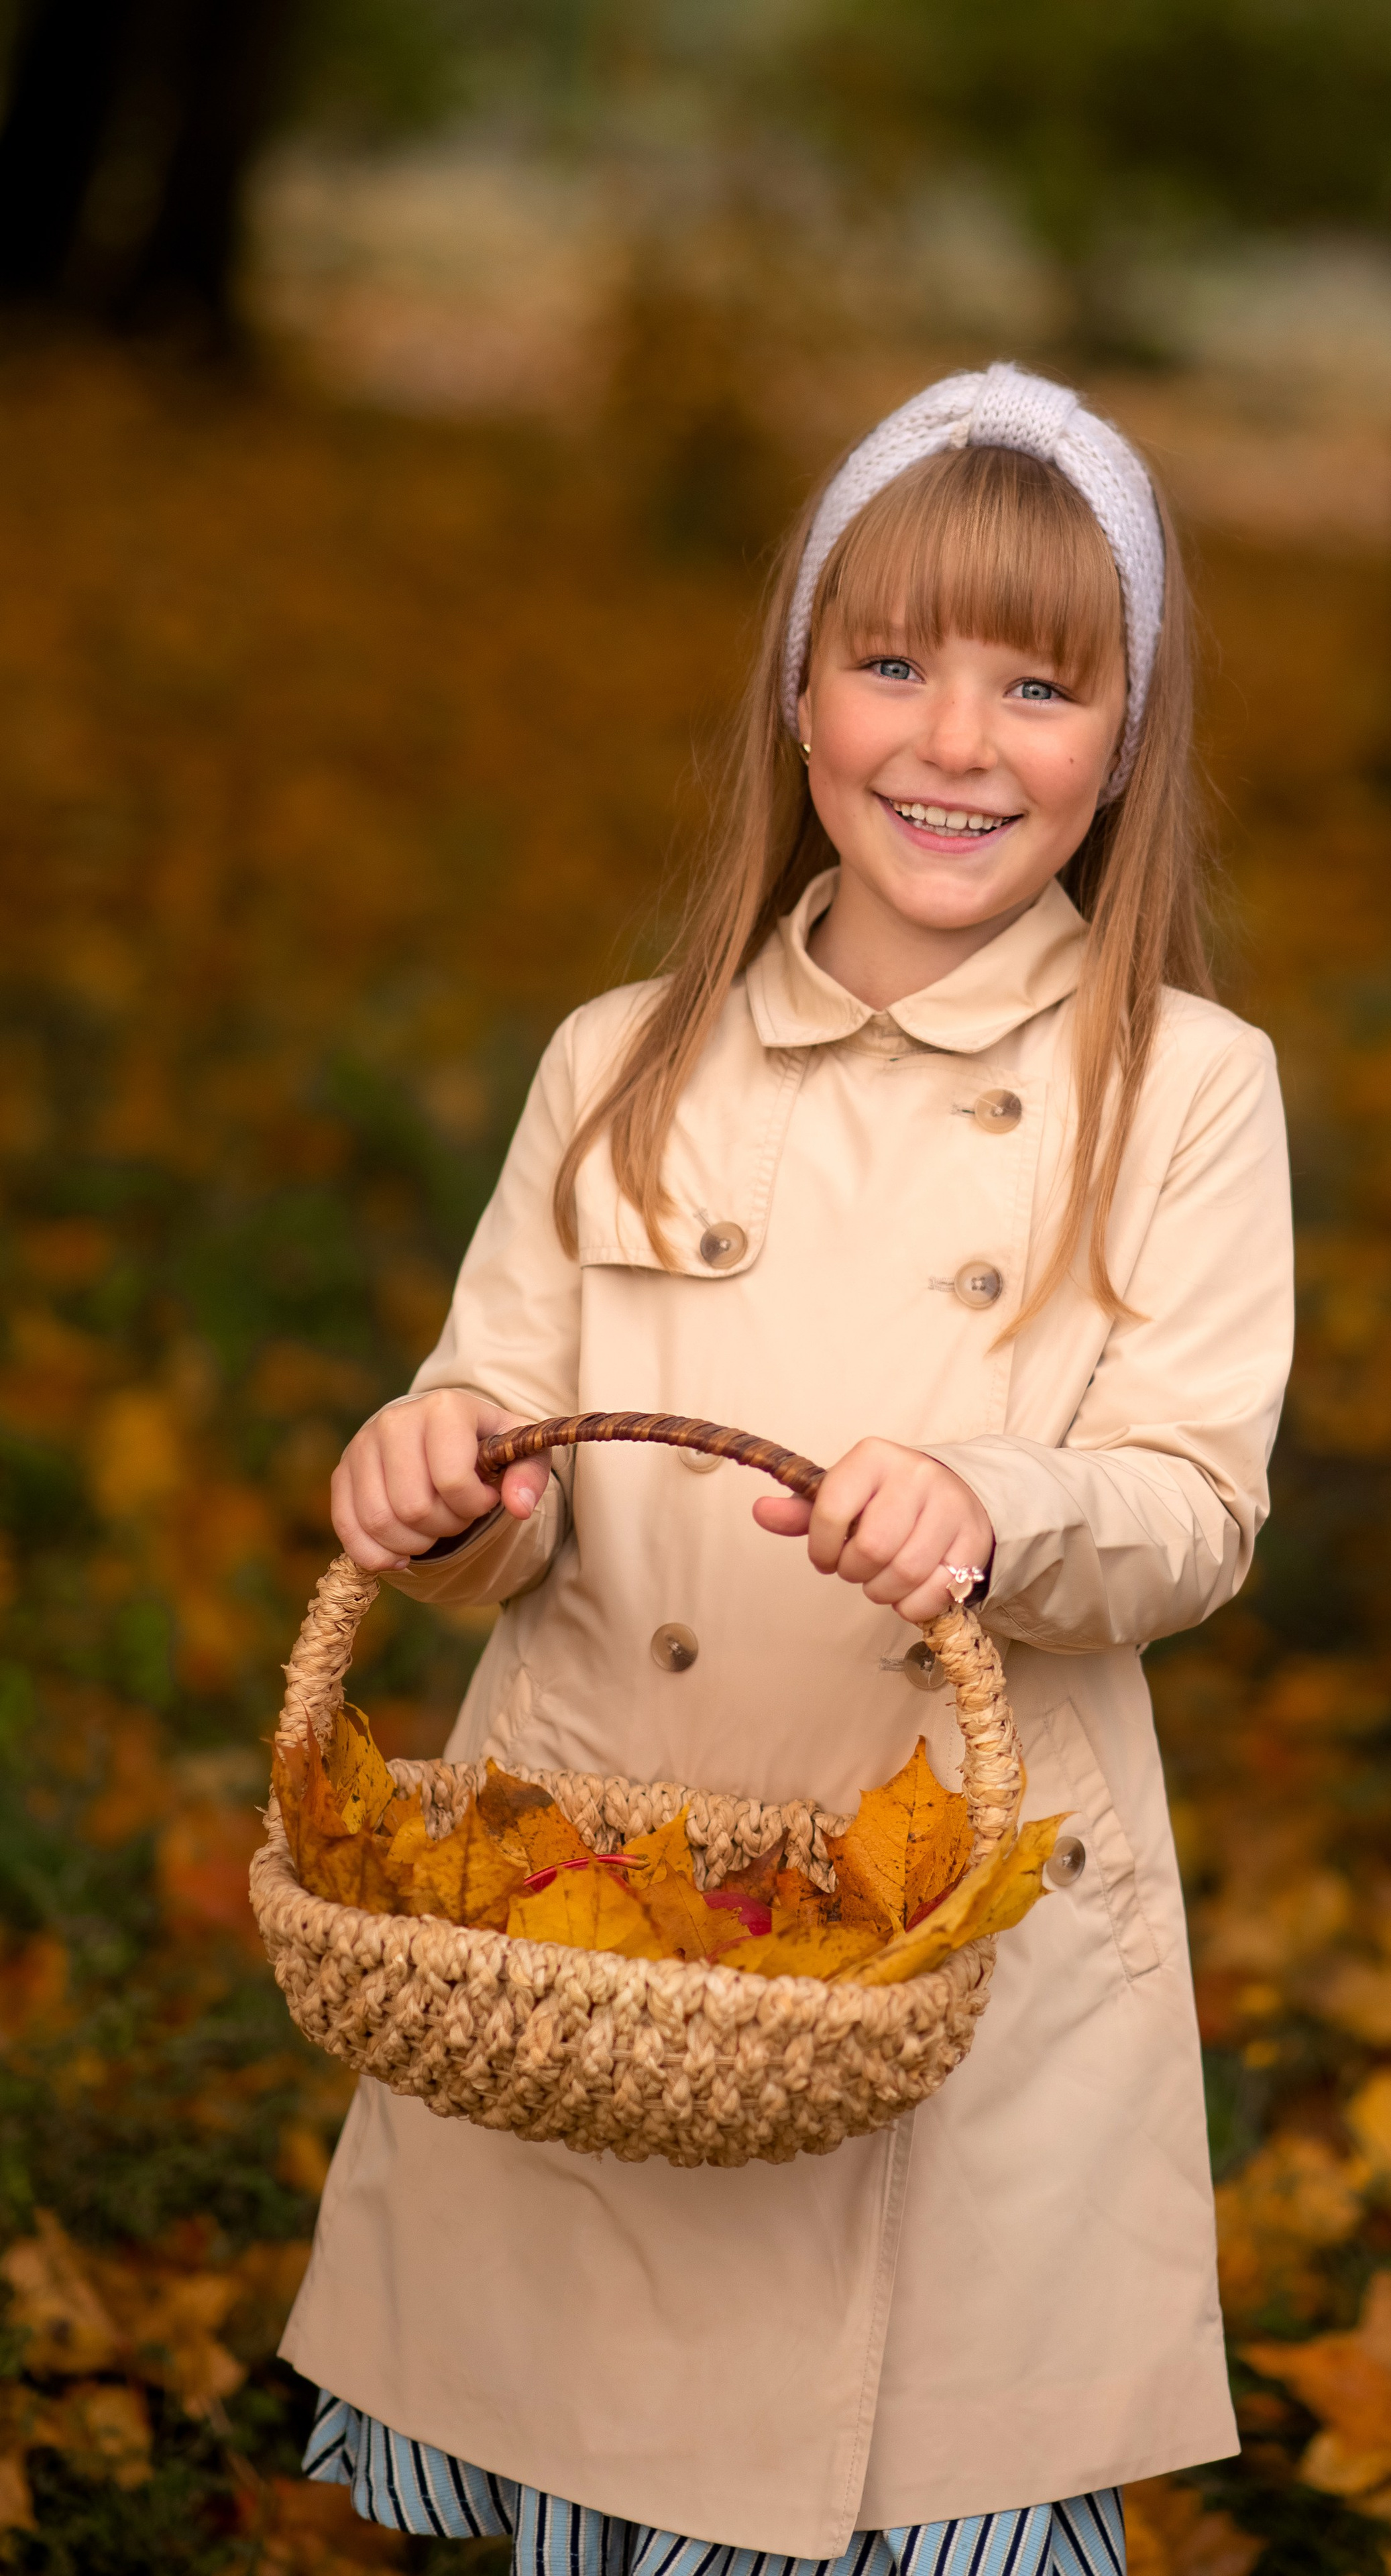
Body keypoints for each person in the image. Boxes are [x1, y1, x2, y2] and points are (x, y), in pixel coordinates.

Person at [282, 361, 1295, 2576]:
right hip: (604, 1935)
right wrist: (439, 1478)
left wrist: (997, 1495)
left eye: (1041, 682)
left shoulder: (1183, 1087)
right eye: (893, 660)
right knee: (594, 2482)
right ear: (798, 693)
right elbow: (504, 1439)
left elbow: (1194, 1501)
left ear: (1124, 738)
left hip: (933, 1943)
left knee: (899, 2494)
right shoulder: (625, 1058)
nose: (954, 740)